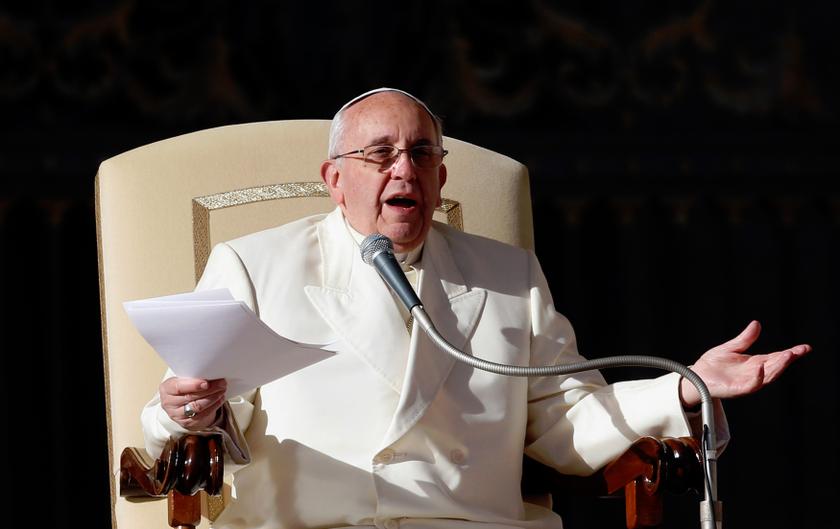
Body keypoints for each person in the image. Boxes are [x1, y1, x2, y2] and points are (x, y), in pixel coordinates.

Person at [141, 88, 810, 529]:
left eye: (421, 153)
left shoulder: (506, 276)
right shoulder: (253, 264)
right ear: (334, 180)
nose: (402, 169)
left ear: (440, 177)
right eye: (379, 155)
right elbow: (189, 407)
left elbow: (567, 418)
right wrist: (185, 411)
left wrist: (685, 387)